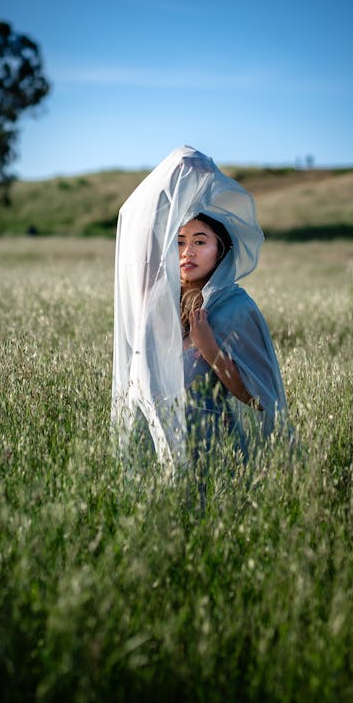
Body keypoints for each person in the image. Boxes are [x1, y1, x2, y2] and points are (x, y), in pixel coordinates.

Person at [111, 146, 288, 469]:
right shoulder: (160, 305)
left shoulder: (236, 308)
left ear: (221, 250)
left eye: (200, 241)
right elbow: (139, 223)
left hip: (214, 454)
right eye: (178, 241)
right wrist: (175, 173)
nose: (186, 252)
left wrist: (210, 349)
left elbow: (260, 400)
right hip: (159, 452)